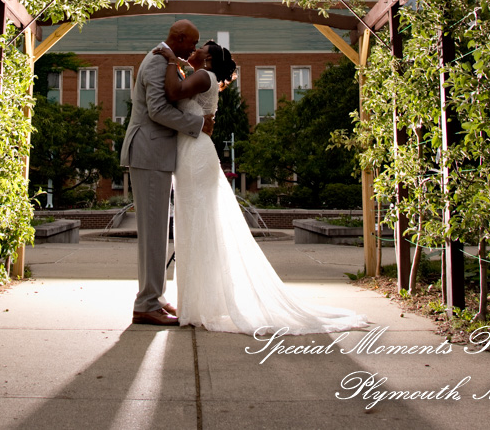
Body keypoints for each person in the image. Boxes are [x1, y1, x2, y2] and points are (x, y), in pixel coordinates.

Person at [153, 40, 368, 335]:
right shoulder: (205, 76)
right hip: (193, 151)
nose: (195, 49)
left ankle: (199, 305)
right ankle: (198, 303)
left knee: (196, 224)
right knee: (194, 225)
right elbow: (187, 90)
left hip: (194, 155)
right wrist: (177, 65)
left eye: (201, 47)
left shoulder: (204, 77)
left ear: (210, 59)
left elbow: (174, 93)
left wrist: (167, 59)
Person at [121, 20, 214, 327]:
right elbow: (158, 110)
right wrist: (198, 125)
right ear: (180, 37)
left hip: (157, 155)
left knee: (158, 230)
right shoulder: (156, 62)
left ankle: (155, 298)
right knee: (152, 232)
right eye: (192, 42)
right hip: (149, 154)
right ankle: (146, 304)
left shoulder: (167, 60)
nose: (193, 48)